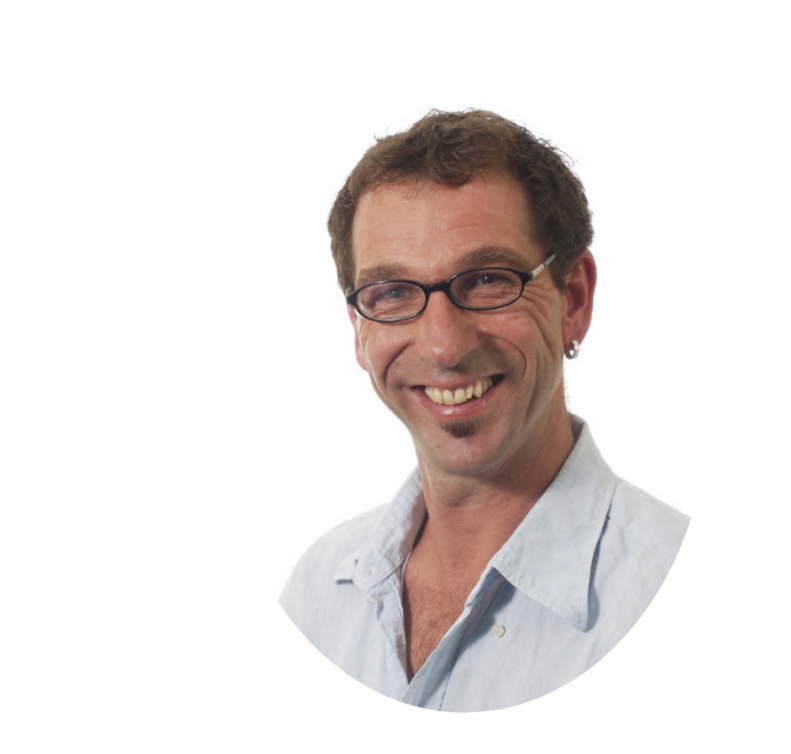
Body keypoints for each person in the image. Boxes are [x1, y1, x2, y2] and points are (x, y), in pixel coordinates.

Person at [280, 109, 689, 712]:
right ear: (359, 331)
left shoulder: (672, 593)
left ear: (573, 300)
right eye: (393, 293)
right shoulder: (316, 595)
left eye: (488, 281)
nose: (444, 346)